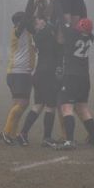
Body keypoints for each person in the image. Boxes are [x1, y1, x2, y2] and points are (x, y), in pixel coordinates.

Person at [58, 18, 94, 150]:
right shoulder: (90, 37)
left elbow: (61, 20)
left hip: (71, 76)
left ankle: (69, 141)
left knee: (66, 108)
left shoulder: (71, 34)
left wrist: (57, 1)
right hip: (84, 77)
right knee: (83, 109)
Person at [18, 17, 60, 148]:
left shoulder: (43, 34)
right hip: (45, 74)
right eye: (40, 21)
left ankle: (23, 133)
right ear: (36, 26)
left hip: (41, 74)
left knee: (38, 105)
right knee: (50, 105)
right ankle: (46, 137)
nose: (43, 21)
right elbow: (52, 26)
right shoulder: (39, 34)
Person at [0, 11, 35, 146]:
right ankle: (6, 132)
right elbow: (27, 16)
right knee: (23, 104)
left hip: (16, 73)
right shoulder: (18, 32)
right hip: (19, 73)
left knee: (17, 105)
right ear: (20, 22)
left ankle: (11, 134)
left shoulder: (28, 33)